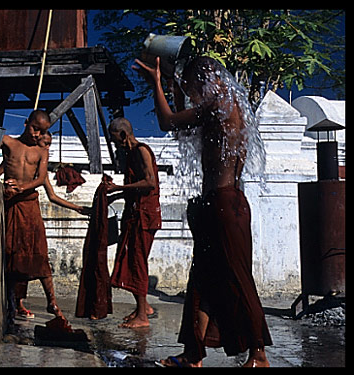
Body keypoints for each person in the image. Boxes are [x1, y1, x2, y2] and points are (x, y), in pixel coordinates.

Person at [133, 55, 272, 367]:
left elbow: (168, 122)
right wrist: (171, 84)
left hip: (225, 204)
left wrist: (157, 84)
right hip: (219, 204)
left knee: (237, 277)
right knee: (201, 280)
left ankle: (259, 353)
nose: (192, 92)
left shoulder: (220, 102)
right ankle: (193, 354)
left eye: (192, 86)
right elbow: (183, 126)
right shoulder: (224, 103)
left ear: (205, 80)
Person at [0, 131, 90, 319]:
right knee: (13, 257)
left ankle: (52, 302)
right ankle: (15, 303)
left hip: (31, 214)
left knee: (39, 257)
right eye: (44, 143)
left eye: (48, 145)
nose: (46, 148)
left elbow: (52, 196)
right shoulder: (15, 157)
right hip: (12, 209)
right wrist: (5, 186)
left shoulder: (39, 169)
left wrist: (77, 208)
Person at [0, 108, 64, 325]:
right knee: (11, 254)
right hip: (10, 205)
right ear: (25, 123)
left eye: (42, 131)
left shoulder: (41, 151)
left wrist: (21, 188)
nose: (37, 135)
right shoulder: (9, 143)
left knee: (39, 253)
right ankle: (12, 306)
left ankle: (53, 302)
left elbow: (40, 179)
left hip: (29, 206)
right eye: (35, 129)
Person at [105, 117, 162, 328]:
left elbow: (149, 182)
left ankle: (142, 317)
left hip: (145, 216)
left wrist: (119, 188)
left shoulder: (141, 151)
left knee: (138, 262)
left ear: (122, 134)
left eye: (114, 139)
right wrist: (114, 195)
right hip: (136, 213)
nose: (114, 143)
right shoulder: (130, 154)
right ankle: (143, 307)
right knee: (133, 260)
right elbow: (135, 187)